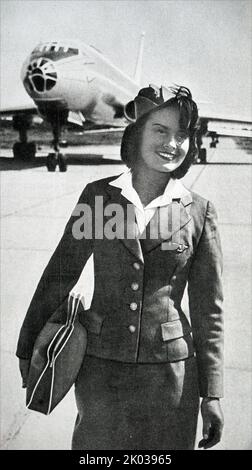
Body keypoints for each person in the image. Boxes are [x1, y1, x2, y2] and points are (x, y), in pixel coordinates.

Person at [17, 85, 224, 450]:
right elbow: (60, 274)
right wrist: (29, 348)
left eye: (182, 135)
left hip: (172, 378)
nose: (172, 143)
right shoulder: (98, 198)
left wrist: (213, 394)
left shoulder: (198, 211)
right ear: (137, 133)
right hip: (100, 372)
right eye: (161, 130)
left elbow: (209, 310)